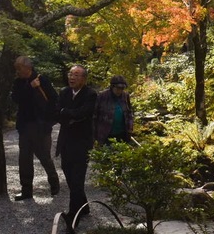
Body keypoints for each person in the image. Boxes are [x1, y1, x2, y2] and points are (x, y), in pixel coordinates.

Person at [11, 56, 60, 200]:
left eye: (19, 68)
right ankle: (26, 190)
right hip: (25, 126)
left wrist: (48, 122)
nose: (18, 71)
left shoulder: (42, 80)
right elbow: (16, 99)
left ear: (27, 68)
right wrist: (29, 87)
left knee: (44, 156)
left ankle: (54, 184)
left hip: (41, 126)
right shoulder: (19, 82)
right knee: (24, 159)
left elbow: (54, 100)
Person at [56, 64, 97, 228]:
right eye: (71, 74)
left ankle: (73, 218)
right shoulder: (64, 92)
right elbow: (57, 112)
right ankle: (84, 206)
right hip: (66, 140)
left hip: (82, 142)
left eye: (76, 75)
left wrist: (67, 113)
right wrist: (69, 114)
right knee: (69, 174)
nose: (72, 77)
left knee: (77, 179)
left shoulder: (91, 94)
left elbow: (84, 113)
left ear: (84, 78)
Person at [94, 75, 134, 145]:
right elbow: (95, 115)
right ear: (112, 87)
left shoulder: (125, 96)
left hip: (122, 134)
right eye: (118, 88)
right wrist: (94, 134)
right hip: (106, 134)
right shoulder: (102, 96)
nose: (120, 91)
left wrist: (130, 127)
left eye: (122, 88)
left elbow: (129, 112)